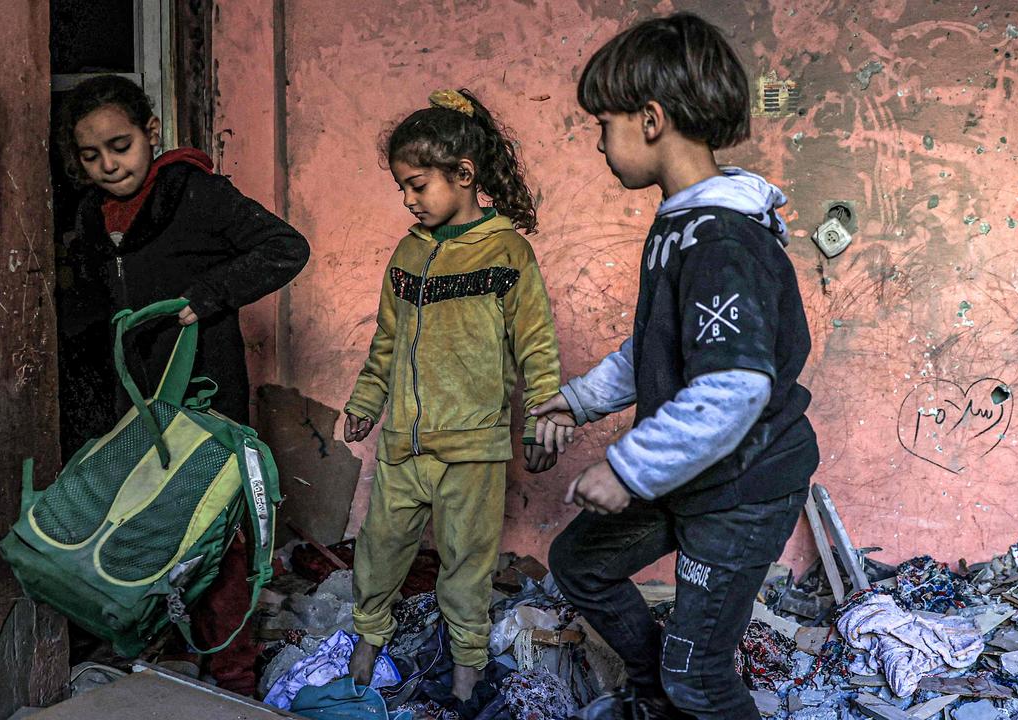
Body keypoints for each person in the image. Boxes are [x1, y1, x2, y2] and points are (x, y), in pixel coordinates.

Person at [530, 13, 820, 720]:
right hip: (695, 471)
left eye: (604, 123)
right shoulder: (680, 225)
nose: (599, 142)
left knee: (701, 676)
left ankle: (679, 686)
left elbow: (733, 386)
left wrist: (628, 470)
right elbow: (657, 347)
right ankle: (651, 691)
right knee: (580, 564)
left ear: (651, 119)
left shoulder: (720, 241)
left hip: (744, 486)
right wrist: (577, 402)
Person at [56, 74, 310, 697]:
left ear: (152, 134)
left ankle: (232, 674)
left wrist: (204, 298)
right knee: (146, 526)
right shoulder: (92, 215)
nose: (108, 164)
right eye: (91, 155)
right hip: (134, 406)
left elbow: (286, 248)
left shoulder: (193, 192)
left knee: (216, 529)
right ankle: (160, 659)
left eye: (120, 145)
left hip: (204, 397)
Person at [341, 89, 561, 701]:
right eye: (402, 190)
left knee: (467, 565)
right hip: (403, 446)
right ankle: (366, 646)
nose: (408, 201)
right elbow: (387, 339)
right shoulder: (409, 252)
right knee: (379, 550)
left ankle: (466, 672)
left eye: (416, 186)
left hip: (473, 449)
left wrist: (543, 417)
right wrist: (365, 401)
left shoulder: (507, 252)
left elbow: (536, 345)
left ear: (463, 175)